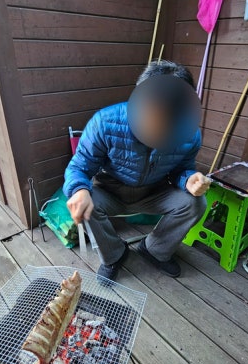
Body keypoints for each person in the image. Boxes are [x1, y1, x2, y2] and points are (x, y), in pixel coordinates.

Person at [63, 60, 211, 281]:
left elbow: (182, 170)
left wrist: (189, 179)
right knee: (86, 203)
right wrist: (78, 190)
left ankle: (155, 250)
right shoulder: (105, 122)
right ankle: (114, 254)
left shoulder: (189, 134)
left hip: (154, 192)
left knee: (195, 203)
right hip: (111, 191)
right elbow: (78, 167)